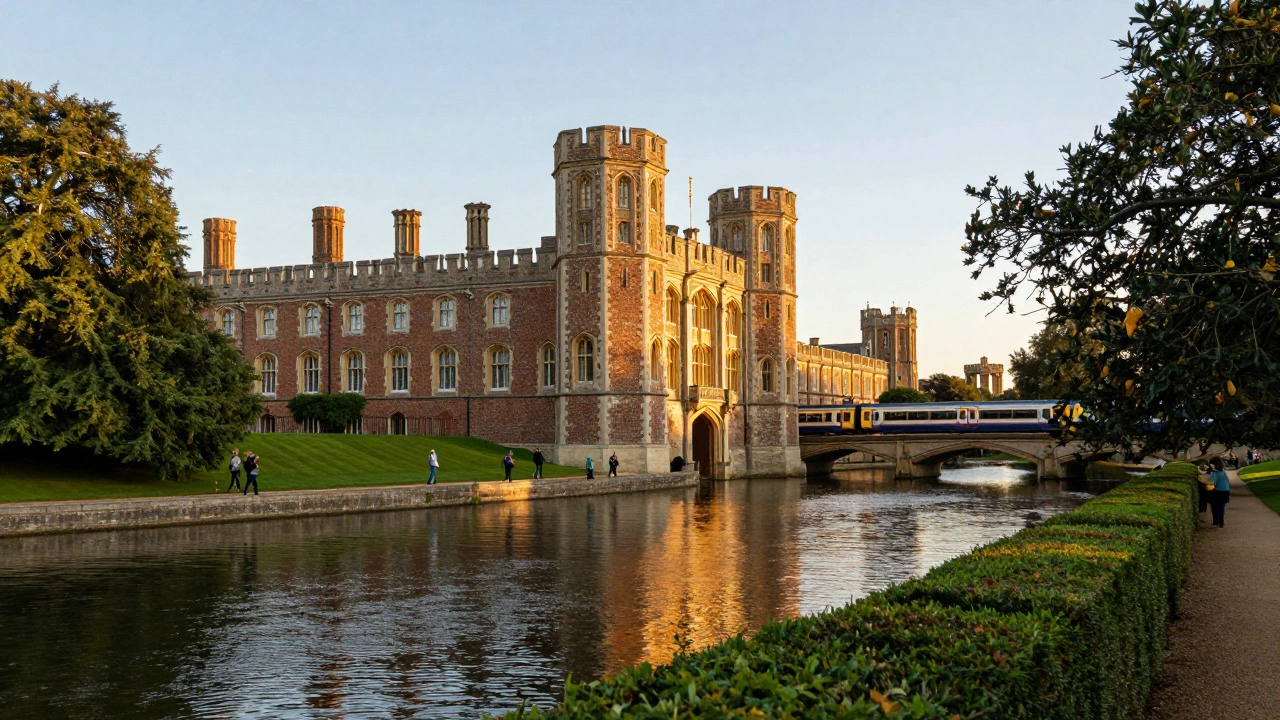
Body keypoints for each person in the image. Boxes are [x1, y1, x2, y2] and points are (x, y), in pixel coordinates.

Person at [1205, 457, 1231, 528]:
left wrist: (1207, 473)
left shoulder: (1215, 473)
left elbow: (1211, 481)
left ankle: (1217, 521)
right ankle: (1221, 521)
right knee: (1222, 506)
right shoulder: (1223, 472)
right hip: (1226, 490)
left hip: (1218, 491)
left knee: (1216, 506)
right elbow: (1228, 481)